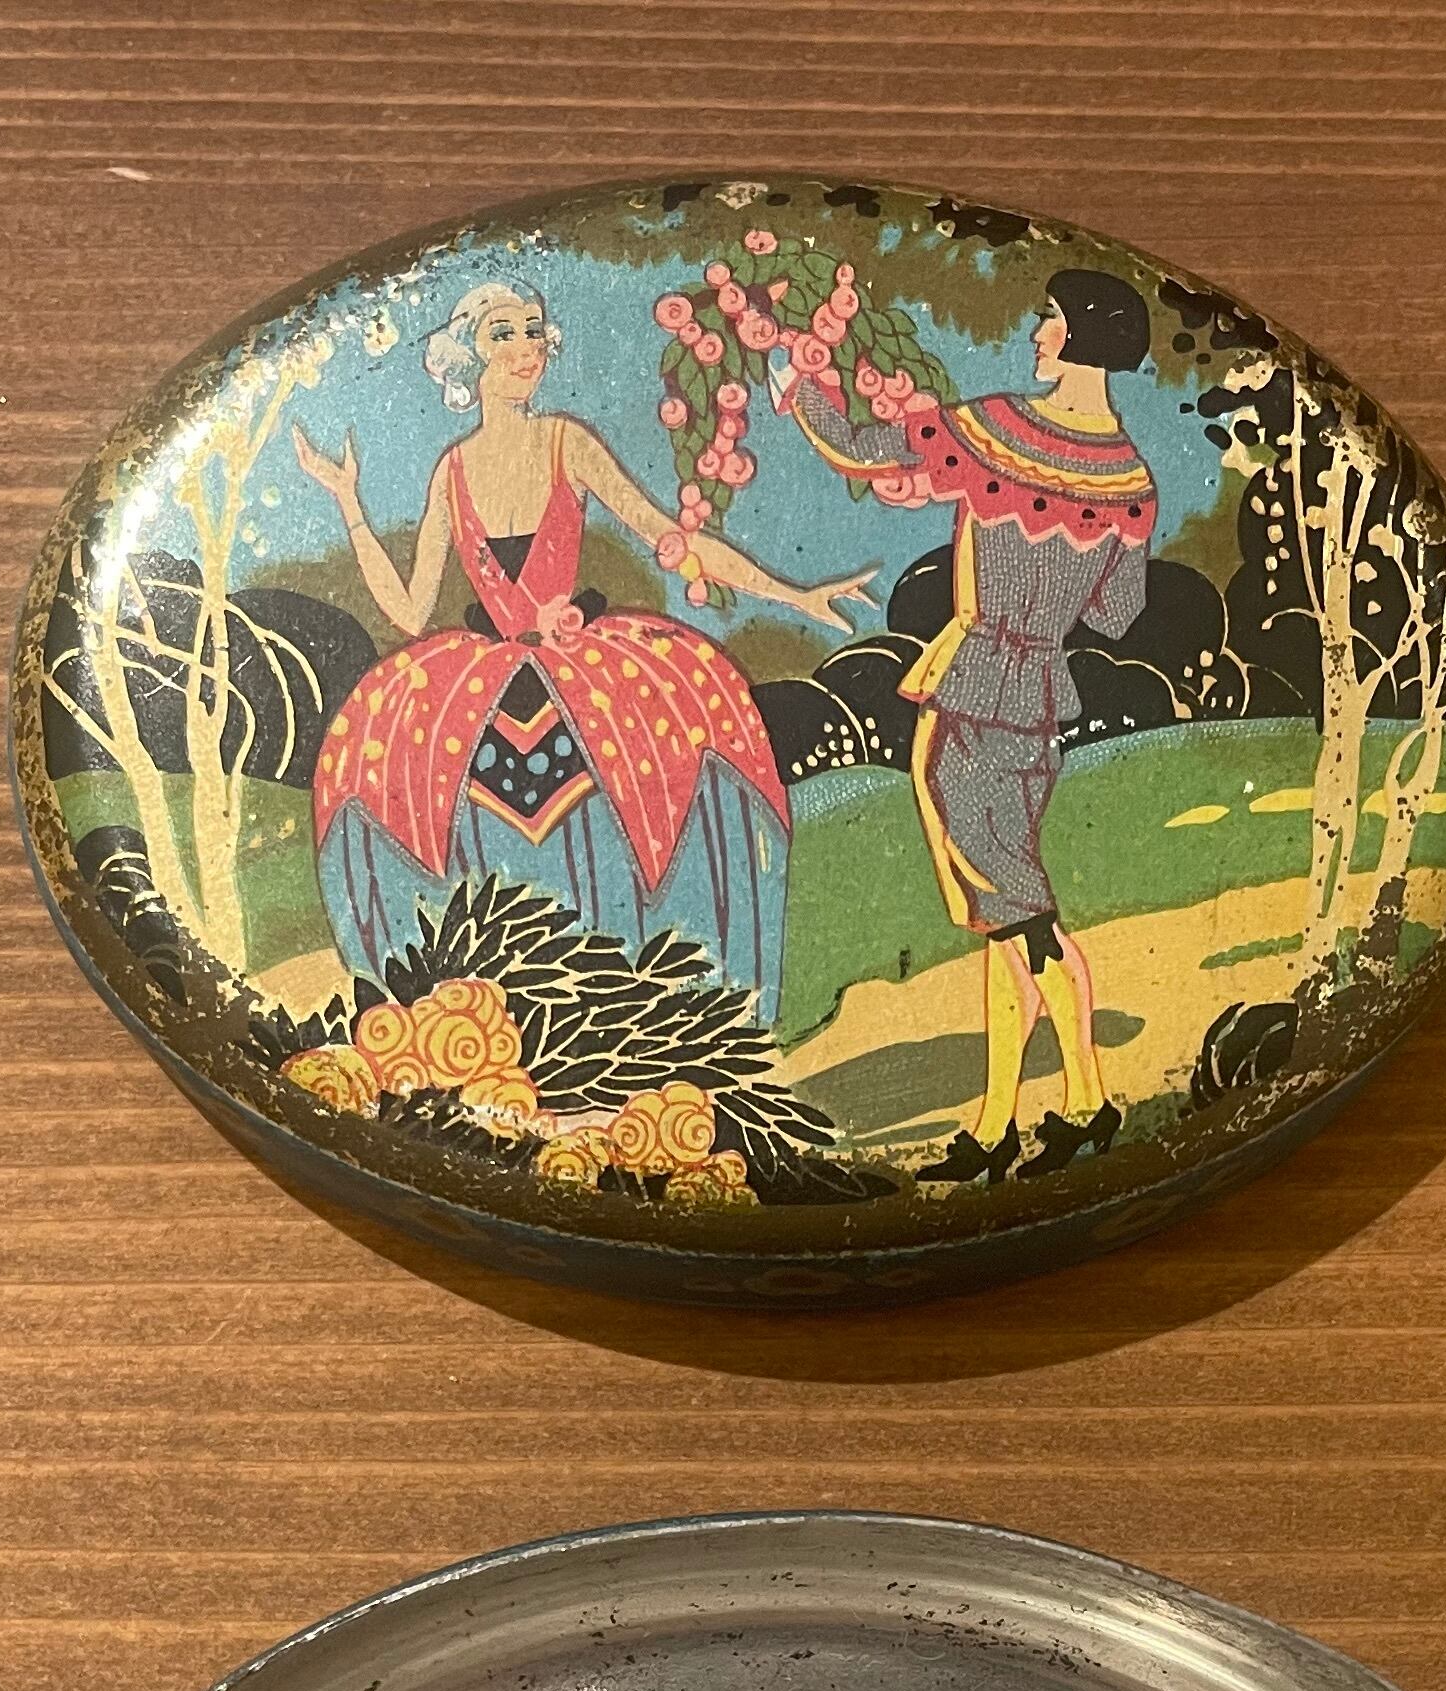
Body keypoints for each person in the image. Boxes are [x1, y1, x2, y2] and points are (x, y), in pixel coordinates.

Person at [291, 282, 869, 1033]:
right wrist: (347, 501)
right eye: (503, 334)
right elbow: (406, 610)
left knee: (676, 753)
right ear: (466, 358)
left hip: (582, 670)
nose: (527, 348)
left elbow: (669, 539)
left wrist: (795, 594)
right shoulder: (452, 471)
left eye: (534, 330)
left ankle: (657, 1009)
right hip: (486, 682)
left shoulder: (566, 441)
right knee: (386, 765)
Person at [778, 267, 1160, 1180]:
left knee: (1024, 919)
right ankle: (994, 1128)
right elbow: (1117, 614)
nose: (1036, 333)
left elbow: (863, 448)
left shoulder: (1001, 431)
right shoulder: (1133, 480)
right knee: (1005, 922)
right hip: (1038, 702)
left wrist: (799, 389)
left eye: (1049, 319)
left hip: (978, 688)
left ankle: (1089, 1101)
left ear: (1080, 336)